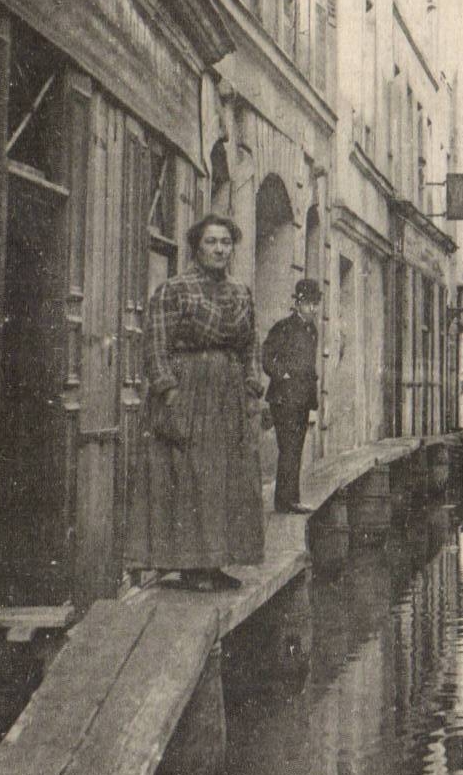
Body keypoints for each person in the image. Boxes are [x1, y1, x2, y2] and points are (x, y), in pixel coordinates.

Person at [126, 214, 264, 591]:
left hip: (229, 394)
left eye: (225, 242)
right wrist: (170, 392)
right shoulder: (175, 290)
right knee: (191, 475)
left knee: (228, 476)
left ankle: (217, 562)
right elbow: (155, 345)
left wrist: (251, 387)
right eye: (211, 242)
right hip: (189, 390)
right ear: (196, 247)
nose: (220, 249)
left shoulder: (240, 292)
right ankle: (191, 566)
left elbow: (251, 344)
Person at [262, 279, 321, 514]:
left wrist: (312, 399)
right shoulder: (283, 328)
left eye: (315, 304)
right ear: (297, 303)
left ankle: (289, 500)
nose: (313, 309)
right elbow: (266, 357)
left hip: (302, 399)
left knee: (295, 449)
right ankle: (287, 501)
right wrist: (281, 374)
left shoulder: (312, 330)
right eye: (308, 304)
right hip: (283, 399)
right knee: (289, 448)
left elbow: (310, 369)